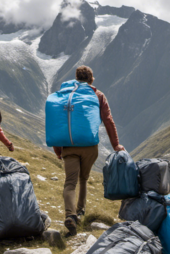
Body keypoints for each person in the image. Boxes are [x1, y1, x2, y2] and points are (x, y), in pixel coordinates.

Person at [53, 66, 125, 237]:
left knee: (70, 182)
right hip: (90, 146)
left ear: (76, 79)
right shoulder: (98, 95)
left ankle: (70, 215)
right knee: (83, 178)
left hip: (69, 145)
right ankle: (80, 212)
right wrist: (116, 145)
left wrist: (58, 149)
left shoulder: (66, 96)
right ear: (91, 79)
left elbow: (58, 122)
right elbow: (108, 121)